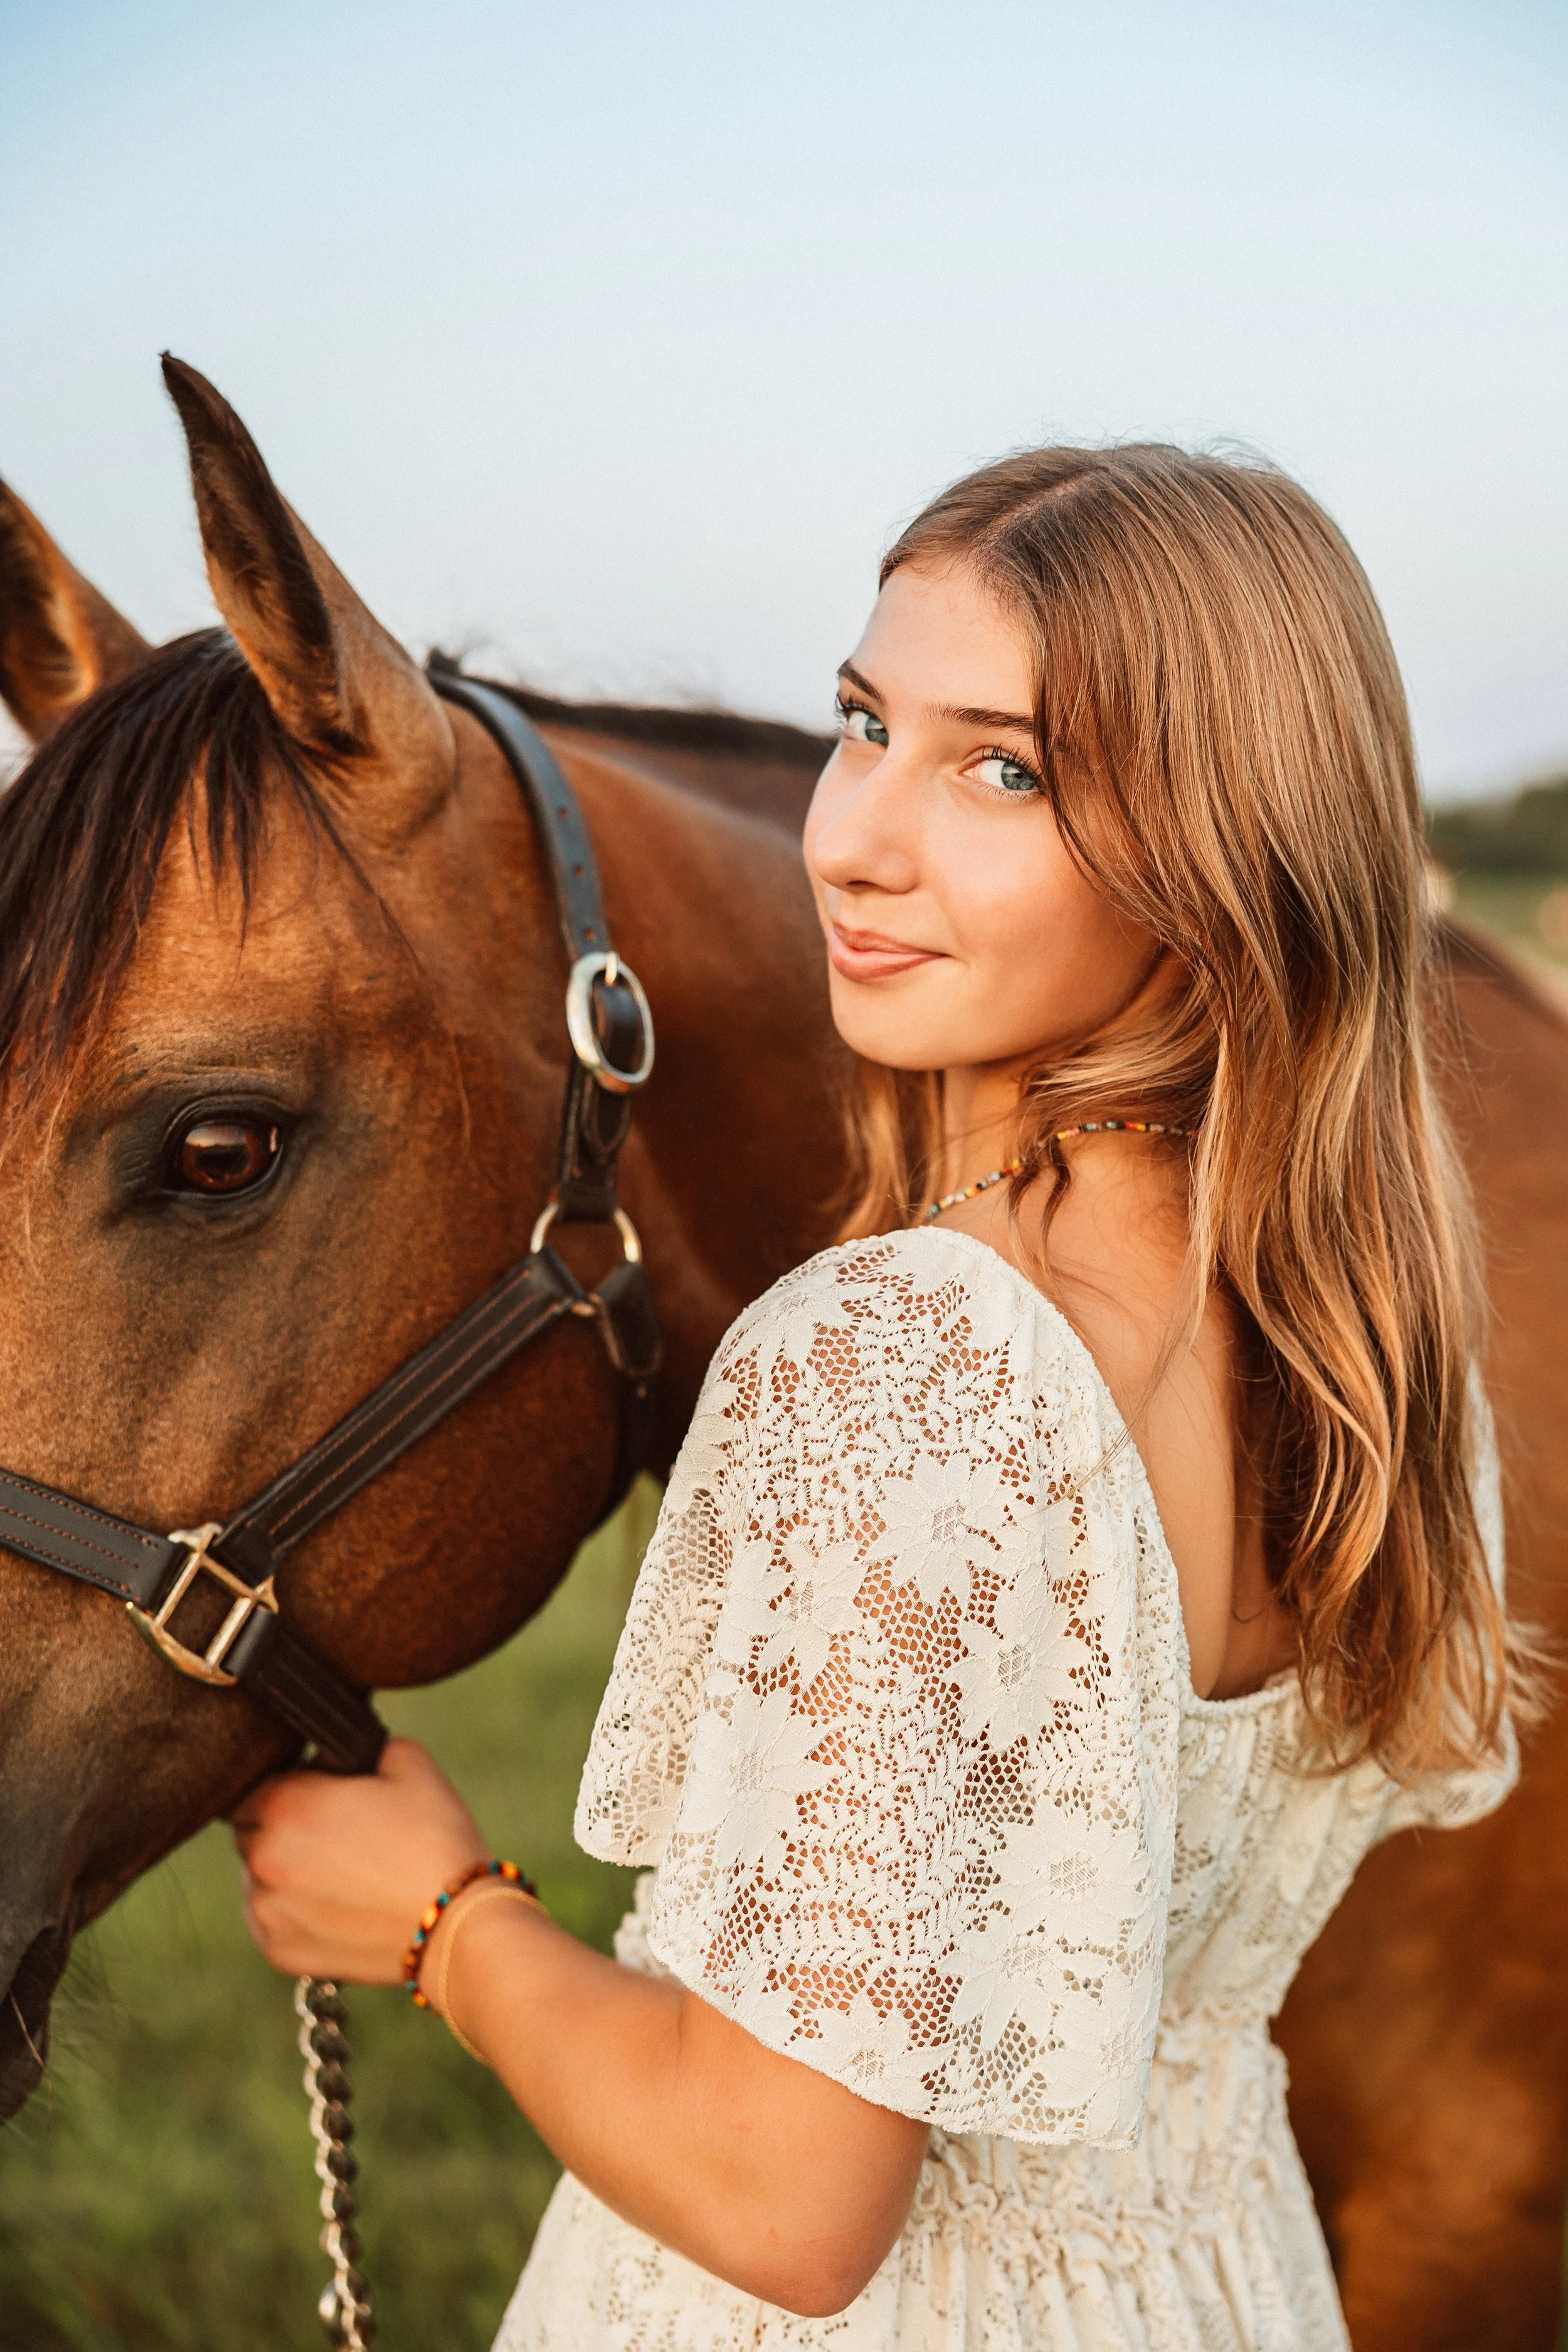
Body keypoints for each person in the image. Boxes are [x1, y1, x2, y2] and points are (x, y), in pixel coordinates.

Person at [235, 444, 1526, 2351]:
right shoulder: (1368, 1331)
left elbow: (788, 2192)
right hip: (1215, 2287)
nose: (850, 837)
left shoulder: (914, 1360)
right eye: (863, 723)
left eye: (1000, 765)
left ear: (1223, 843)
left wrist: (443, 1921)